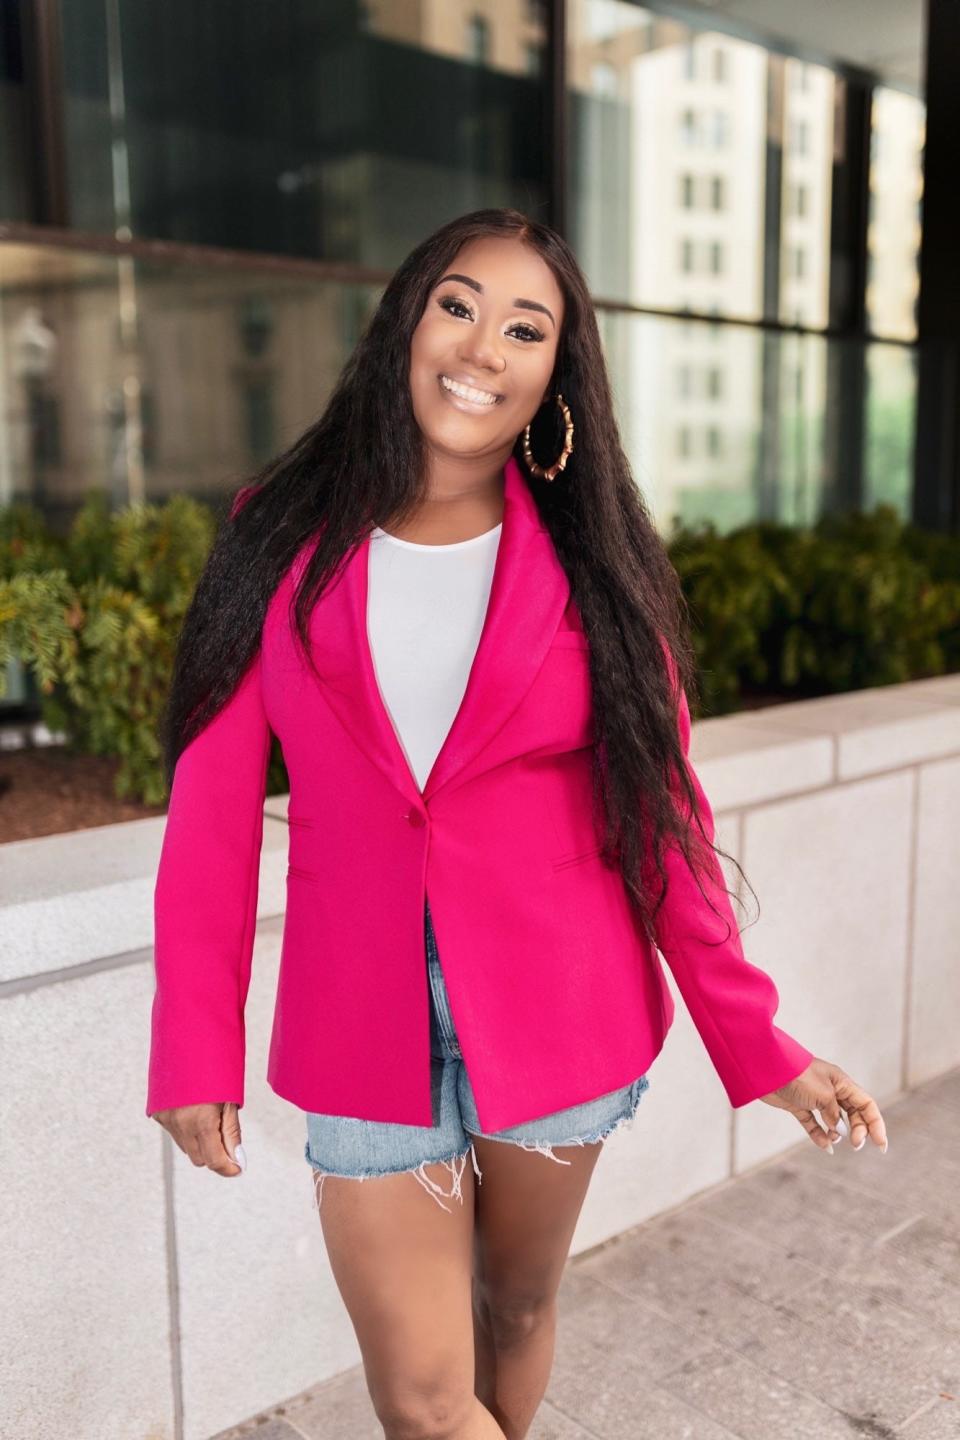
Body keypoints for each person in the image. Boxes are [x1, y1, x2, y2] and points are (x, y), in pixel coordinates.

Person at [146, 207, 888, 1440]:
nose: (481, 346)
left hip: (558, 1008)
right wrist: (190, 1044)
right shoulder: (276, 527)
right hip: (359, 1017)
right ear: (406, 322)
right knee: (428, 1401)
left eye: (524, 327)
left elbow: (665, 826)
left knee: (513, 1310)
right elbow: (212, 809)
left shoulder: (596, 563)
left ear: (556, 373)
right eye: (458, 304)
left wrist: (761, 1046)